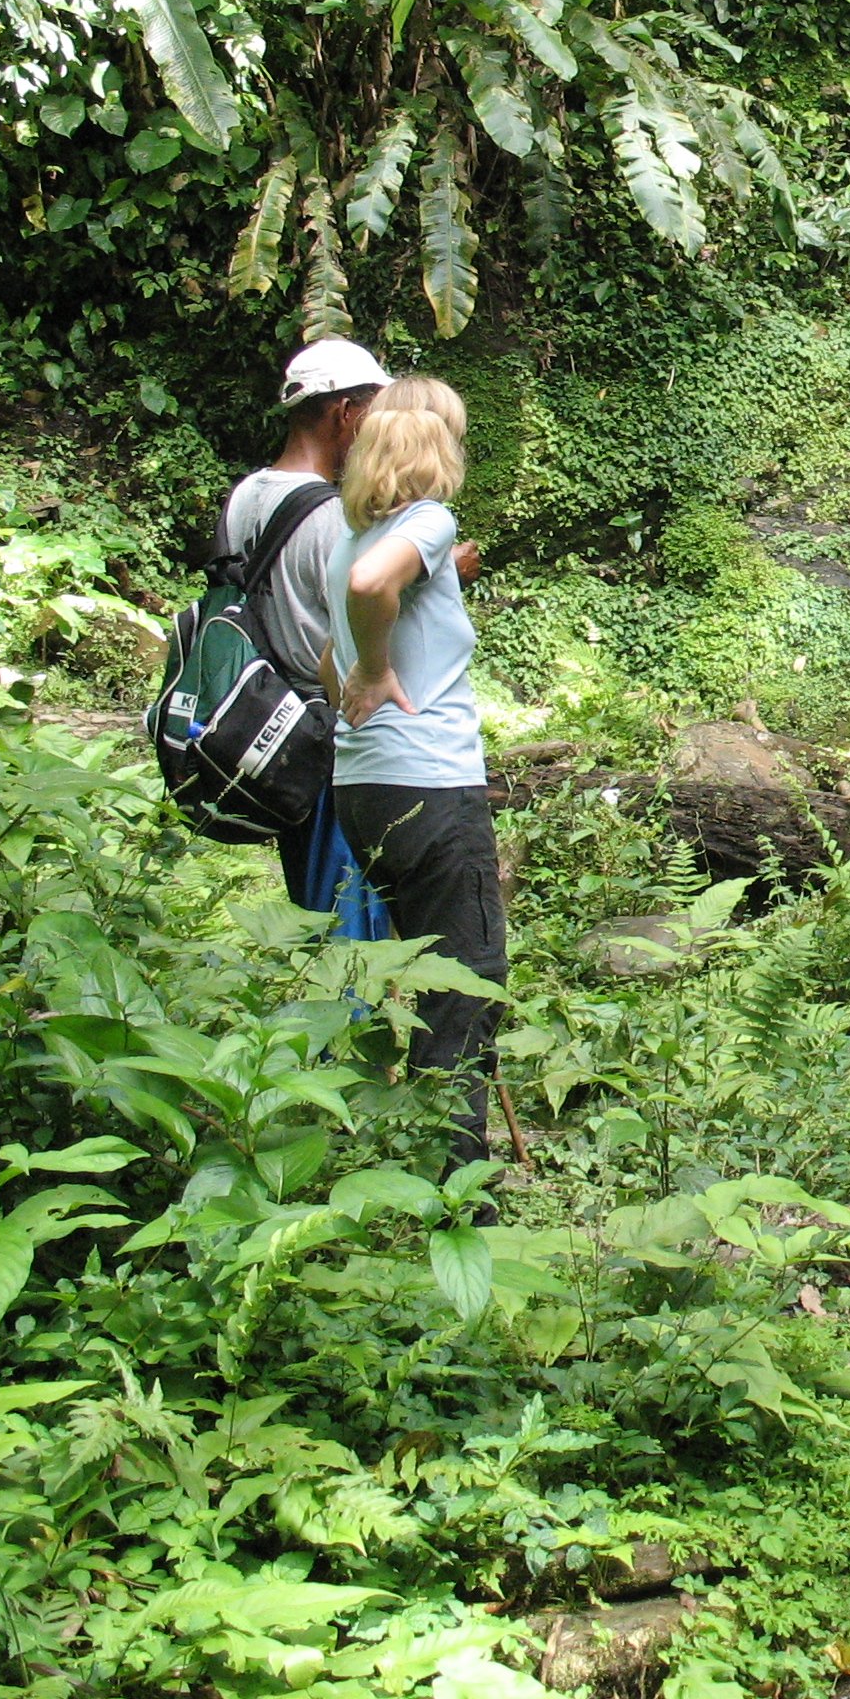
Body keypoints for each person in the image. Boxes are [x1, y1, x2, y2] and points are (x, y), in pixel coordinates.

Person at [328, 375, 503, 1167]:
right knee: (466, 981)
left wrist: (360, 682)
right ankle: (454, 1191)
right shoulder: (427, 522)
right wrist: (373, 669)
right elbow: (372, 599)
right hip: (431, 783)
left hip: (365, 785)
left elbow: (329, 642)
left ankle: (402, 1151)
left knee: (429, 970)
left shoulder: (350, 538)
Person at [224, 339, 391, 914]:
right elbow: (358, 623)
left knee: (313, 891)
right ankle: (348, 1005)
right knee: (347, 900)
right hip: (330, 730)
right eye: (373, 413)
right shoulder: (328, 516)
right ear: (346, 412)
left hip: (274, 724)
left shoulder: (246, 494)